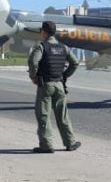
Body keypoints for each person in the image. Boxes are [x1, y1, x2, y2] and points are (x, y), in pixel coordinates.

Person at [28, 21, 81, 153]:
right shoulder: (63, 47)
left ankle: (46, 145)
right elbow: (75, 63)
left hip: (46, 85)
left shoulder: (41, 47)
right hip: (59, 85)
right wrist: (64, 75)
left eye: (41, 31)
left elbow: (33, 61)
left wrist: (34, 77)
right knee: (62, 115)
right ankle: (70, 142)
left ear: (44, 32)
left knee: (44, 115)